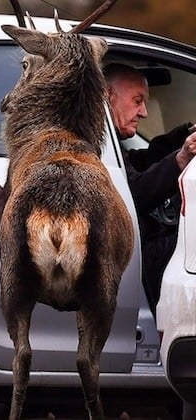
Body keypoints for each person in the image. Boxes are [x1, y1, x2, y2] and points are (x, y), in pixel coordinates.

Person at [104, 63, 196, 316]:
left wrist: (183, 137)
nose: (144, 112)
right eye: (137, 100)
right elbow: (131, 196)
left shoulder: (106, 140)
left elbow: (136, 164)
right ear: (106, 95)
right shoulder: (91, 140)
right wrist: (181, 158)